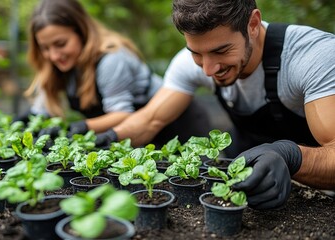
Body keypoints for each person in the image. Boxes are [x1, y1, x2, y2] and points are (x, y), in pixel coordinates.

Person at [96, 0, 335, 210]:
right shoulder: (192, 62)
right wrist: (107, 136)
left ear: (253, 24)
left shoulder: (314, 57)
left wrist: (290, 156)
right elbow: (150, 120)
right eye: (196, 53)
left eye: (221, 50)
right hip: (247, 179)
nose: (208, 69)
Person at [18, 0, 210, 146]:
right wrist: (27, 120)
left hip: (177, 126)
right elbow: (43, 105)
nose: (53, 55)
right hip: (135, 133)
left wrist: (80, 127)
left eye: (61, 44)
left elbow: (122, 114)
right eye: (45, 48)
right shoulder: (62, 64)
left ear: (82, 32)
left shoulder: (111, 59)